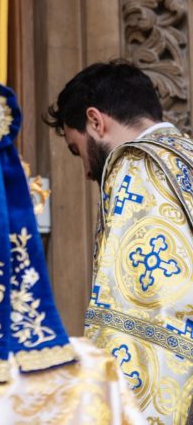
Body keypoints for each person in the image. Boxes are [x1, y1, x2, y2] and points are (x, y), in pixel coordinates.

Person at [46, 60, 193, 425]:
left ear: (95, 121)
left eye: (77, 149)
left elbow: (148, 308)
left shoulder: (138, 164)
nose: (86, 170)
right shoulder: (184, 154)